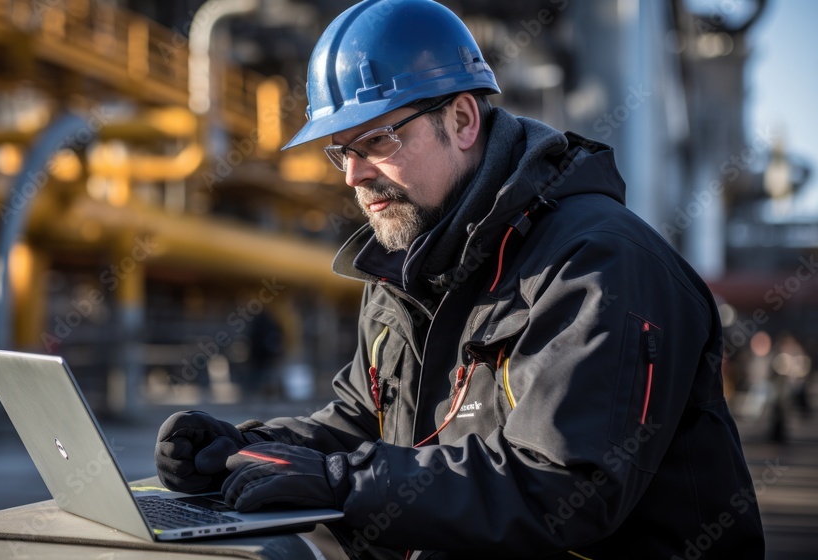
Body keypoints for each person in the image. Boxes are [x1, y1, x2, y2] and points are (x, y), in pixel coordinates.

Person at [155, 0, 766, 558]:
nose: (353, 176)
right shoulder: (405, 269)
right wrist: (244, 448)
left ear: (464, 120)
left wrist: (341, 483)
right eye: (341, 152)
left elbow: (560, 486)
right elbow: (362, 423)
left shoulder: (597, 264)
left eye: (376, 140)